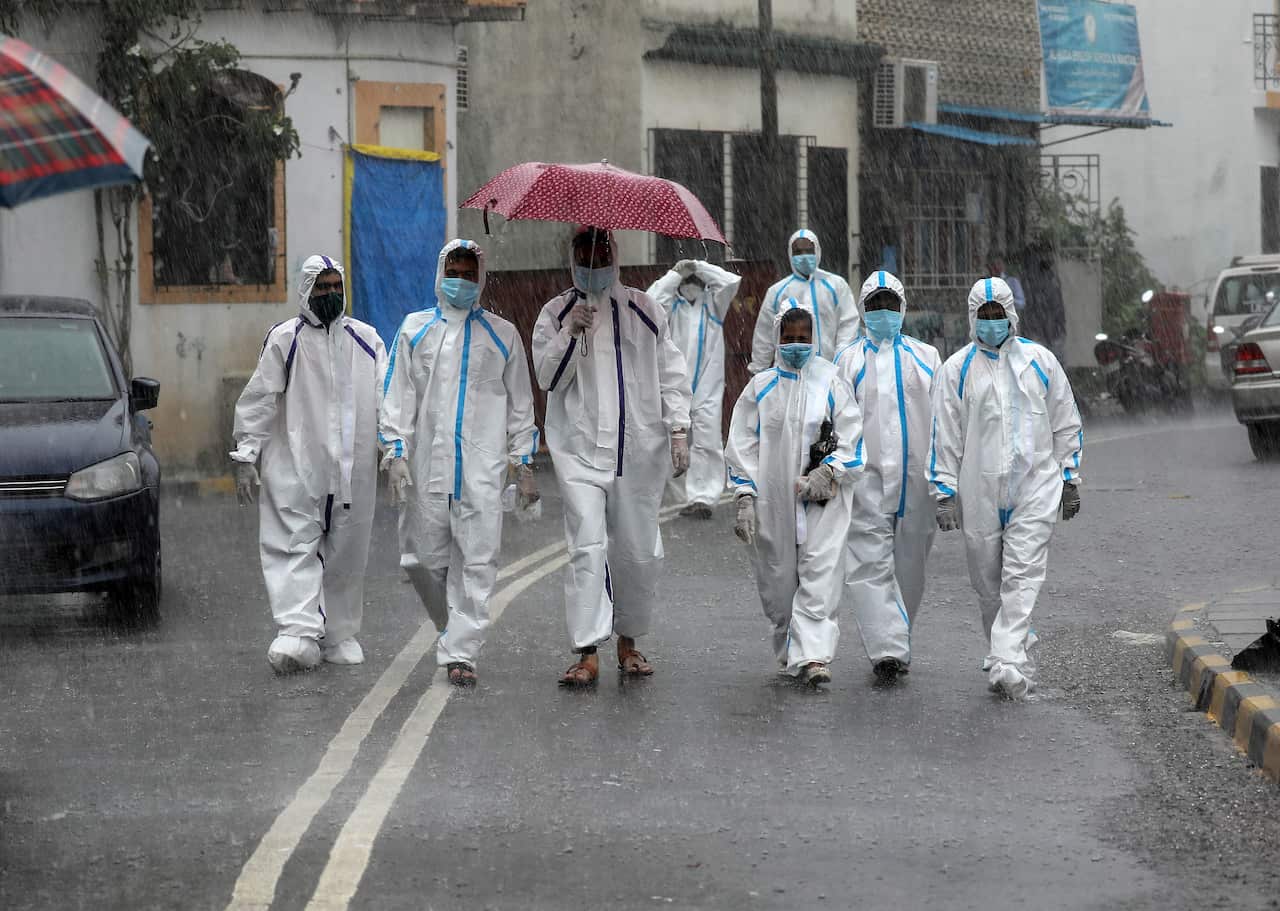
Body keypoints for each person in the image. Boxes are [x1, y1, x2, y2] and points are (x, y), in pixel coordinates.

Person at [531, 225, 692, 686]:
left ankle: (629, 641)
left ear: (615, 256)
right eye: (584, 255)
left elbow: (671, 374)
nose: (593, 263)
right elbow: (547, 377)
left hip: (638, 453)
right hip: (579, 454)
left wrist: (678, 429)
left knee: (639, 553)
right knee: (586, 546)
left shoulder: (645, 310)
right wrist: (568, 332)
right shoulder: (555, 312)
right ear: (572, 259)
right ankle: (586, 651)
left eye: (601, 253)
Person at [379, 239, 540, 687]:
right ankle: (453, 630)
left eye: (470, 274)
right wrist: (395, 451)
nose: (462, 281)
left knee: (477, 561)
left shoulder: (502, 334)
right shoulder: (415, 330)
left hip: (480, 471)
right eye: (455, 272)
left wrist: (523, 463)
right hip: (428, 466)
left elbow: (521, 404)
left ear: (481, 279)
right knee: (421, 561)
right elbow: (397, 395)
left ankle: (461, 651)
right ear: (439, 273)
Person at [928, 277, 1083, 700]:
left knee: (1023, 574)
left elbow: (1065, 421)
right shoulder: (956, 370)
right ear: (973, 317)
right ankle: (1007, 649)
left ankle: (1007, 663)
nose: (993, 322)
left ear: (1012, 315)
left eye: (999, 314)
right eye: (985, 315)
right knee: (988, 584)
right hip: (977, 490)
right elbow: (945, 434)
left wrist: (1070, 477)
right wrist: (943, 490)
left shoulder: (1040, 361)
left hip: (1035, 486)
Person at [231, 254, 387, 674]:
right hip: (295, 464)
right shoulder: (286, 339)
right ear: (305, 291)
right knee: (293, 542)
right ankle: (298, 631)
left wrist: (395, 448)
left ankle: (338, 633)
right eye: (322, 287)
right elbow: (261, 398)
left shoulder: (366, 340)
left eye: (337, 286)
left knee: (347, 551)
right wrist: (247, 453)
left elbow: (386, 397)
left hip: (353, 472)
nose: (331, 294)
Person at [725, 304, 864, 686]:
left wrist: (830, 469)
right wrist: (744, 495)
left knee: (820, 574)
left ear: (814, 339)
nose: (797, 345)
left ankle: (814, 657)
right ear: (778, 339)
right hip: (775, 503)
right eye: (790, 338)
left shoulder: (831, 381)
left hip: (825, 499)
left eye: (804, 338)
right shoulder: (761, 387)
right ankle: (791, 645)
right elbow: (742, 443)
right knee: (778, 582)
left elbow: (854, 436)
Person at [834, 271, 940, 684]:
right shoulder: (848, 360)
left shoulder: (927, 357)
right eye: (874, 305)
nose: (882, 313)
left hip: (917, 480)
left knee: (911, 567)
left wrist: (946, 477)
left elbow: (946, 418)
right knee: (867, 562)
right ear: (863, 310)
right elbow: (836, 417)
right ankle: (888, 651)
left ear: (902, 308)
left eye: (889, 305)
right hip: (866, 480)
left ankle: (897, 633)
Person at [646, 258, 742, 518]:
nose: (691, 282)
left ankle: (703, 497)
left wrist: (699, 265)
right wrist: (675, 274)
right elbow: (650, 300)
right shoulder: (668, 307)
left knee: (707, 439)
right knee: (673, 439)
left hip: (707, 386)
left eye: (693, 278)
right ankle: (682, 497)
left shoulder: (712, 304)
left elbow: (730, 281)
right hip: (675, 385)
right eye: (687, 279)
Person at [748, 229, 859, 374]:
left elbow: (848, 324)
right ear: (790, 254)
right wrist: (758, 369)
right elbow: (764, 334)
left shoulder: (836, 286)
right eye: (798, 252)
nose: (804, 256)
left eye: (809, 250)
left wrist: (841, 359)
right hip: (788, 374)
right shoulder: (777, 292)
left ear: (817, 251)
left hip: (829, 371)